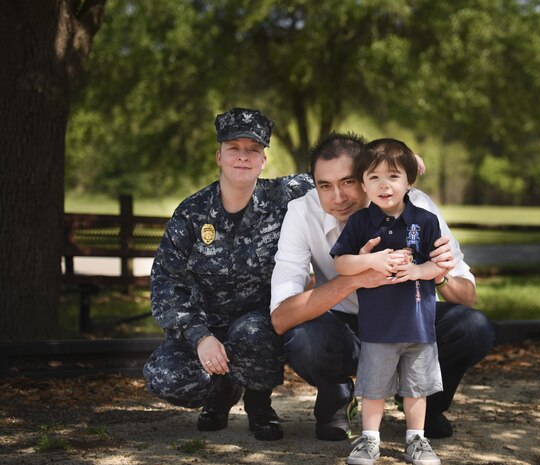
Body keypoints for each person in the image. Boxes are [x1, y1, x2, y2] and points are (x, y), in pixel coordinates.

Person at [270, 132, 495, 443]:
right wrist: (358, 276)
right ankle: (337, 398)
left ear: (365, 176)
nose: (338, 197)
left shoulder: (417, 208)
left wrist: (438, 273)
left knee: (473, 327)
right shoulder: (301, 212)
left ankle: (423, 400)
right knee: (303, 337)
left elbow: (468, 298)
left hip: (409, 322)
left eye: (348, 182)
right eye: (325, 185)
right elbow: (282, 317)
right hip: (345, 330)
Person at [143, 107, 314, 441]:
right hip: (205, 323)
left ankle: (259, 403)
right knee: (166, 376)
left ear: (264, 159)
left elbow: (339, 168)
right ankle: (219, 393)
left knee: (253, 330)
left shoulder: (283, 195)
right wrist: (199, 335)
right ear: (219, 156)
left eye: (252, 149)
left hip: (258, 324)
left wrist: (394, 158)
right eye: (234, 148)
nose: (243, 157)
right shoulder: (191, 213)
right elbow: (165, 285)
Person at [331, 138, 444, 465]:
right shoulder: (360, 223)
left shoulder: (425, 220)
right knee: (374, 389)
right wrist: (373, 261)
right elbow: (341, 263)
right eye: (374, 177)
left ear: (409, 182)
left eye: (393, 176)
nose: (383, 185)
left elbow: (440, 265)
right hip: (378, 328)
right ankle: (369, 441)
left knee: (416, 389)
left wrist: (418, 270)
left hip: (419, 325)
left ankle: (417, 440)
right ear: (363, 184)